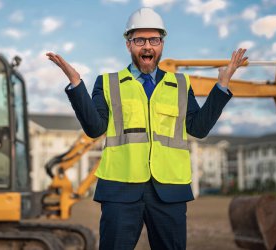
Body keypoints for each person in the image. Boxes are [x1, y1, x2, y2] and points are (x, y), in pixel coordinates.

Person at [46, 7, 247, 250]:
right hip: (120, 190)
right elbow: (94, 128)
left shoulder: (181, 84)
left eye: (154, 40)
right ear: (129, 45)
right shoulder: (108, 83)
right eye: (140, 40)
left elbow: (199, 128)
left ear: (162, 44)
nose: (147, 46)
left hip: (170, 191)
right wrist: (76, 84)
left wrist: (222, 85)